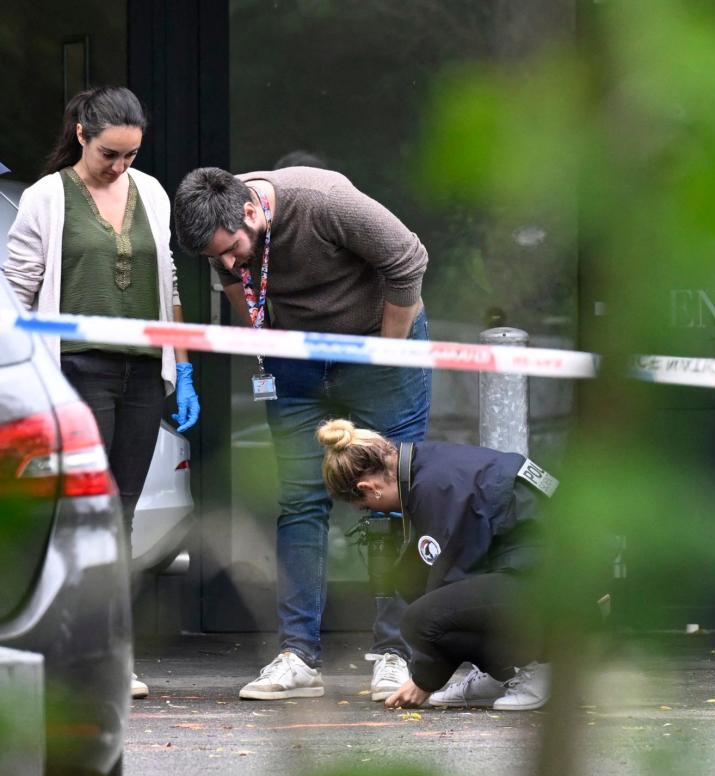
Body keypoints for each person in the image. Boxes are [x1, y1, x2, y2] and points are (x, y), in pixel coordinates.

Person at [172, 165, 431, 702]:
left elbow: (409, 259)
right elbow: (234, 280)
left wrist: (387, 352)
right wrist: (265, 344)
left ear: (251, 211)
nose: (226, 261)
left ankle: (396, 652)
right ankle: (298, 656)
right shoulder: (225, 229)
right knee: (299, 500)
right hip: (296, 361)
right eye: (213, 257)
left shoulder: (324, 200)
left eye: (231, 248)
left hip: (378, 344)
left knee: (391, 493)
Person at [4, 85, 201, 700]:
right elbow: (15, 290)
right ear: (83, 134)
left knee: (121, 515)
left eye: (132, 155)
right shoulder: (45, 197)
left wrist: (184, 365)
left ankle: (113, 655)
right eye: (110, 154)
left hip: (142, 373)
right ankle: (69, 652)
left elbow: (167, 278)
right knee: (77, 514)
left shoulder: (153, 194)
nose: (120, 167)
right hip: (76, 370)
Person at [315, 418, 550, 711]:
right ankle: (499, 673)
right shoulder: (425, 465)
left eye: (364, 506)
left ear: (370, 487)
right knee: (412, 576)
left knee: (421, 619)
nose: (369, 512)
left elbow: (453, 585)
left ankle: (537, 667)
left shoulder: (434, 488)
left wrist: (424, 680)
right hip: (535, 567)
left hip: (561, 581)